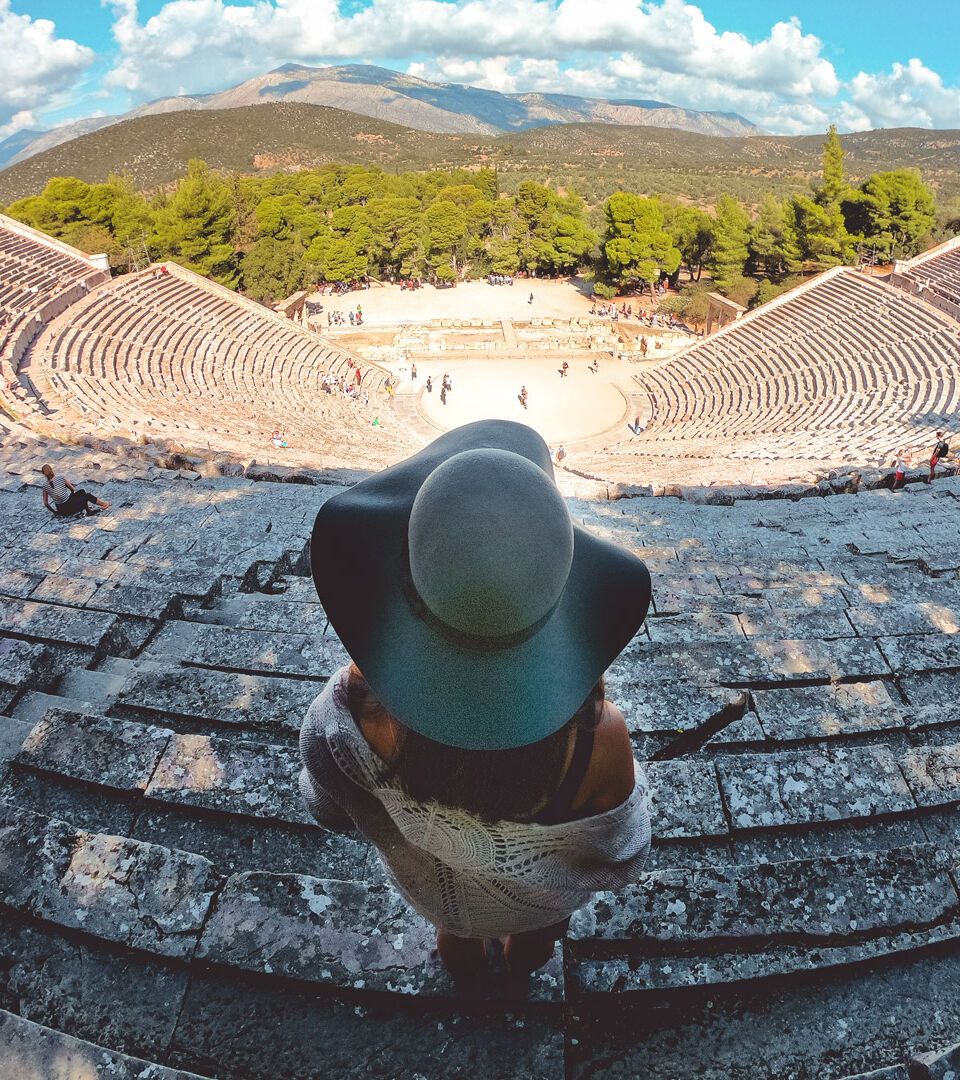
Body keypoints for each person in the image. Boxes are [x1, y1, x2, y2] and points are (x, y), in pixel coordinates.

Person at [299, 420, 652, 984]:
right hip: (539, 907)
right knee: (534, 945)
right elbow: (624, 857)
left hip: (436, 894)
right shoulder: (600, 740)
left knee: (454, 934)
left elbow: (329, 812)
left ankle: (469, 986)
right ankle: (512, 987)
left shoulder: (344, 721)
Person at [40, 464, 111, 518]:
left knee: (82, 492)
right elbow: (73, 489)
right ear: (51, 470)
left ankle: (88, 510)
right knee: (85, 495)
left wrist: (55, 512)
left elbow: (46, 503)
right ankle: (103, 505)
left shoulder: (45, 486)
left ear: (44, 474)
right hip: (70, 508)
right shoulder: (60, 478)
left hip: (61, 510)